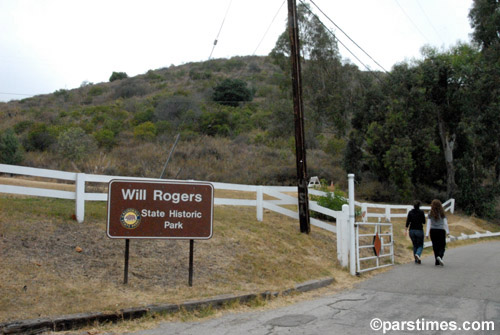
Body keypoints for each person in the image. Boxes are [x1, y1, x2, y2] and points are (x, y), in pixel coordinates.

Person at [426, 199, 449, 266]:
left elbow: (428, 223)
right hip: (441, 230)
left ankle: (437, 260)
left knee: (435, 246)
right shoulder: (442, 213)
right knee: (442, 245)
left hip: (433, 231)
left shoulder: (430, 213)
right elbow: (445, 223)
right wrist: (448, 232)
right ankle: (440, 256)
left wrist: (427, 234)